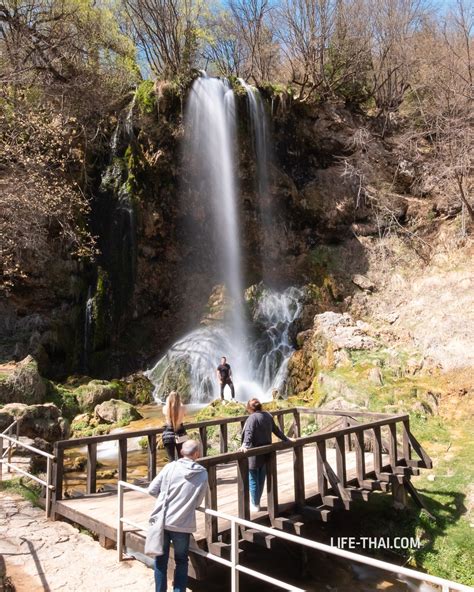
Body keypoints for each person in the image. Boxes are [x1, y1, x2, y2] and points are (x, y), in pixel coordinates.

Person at [147, 440, 208, 592]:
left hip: (163, 521)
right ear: (197, 454)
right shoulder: (202, 473)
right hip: (183, 524)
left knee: (160, 560)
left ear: (181, 452)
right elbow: (198, 501)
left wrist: (164, 499)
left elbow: (152, 489)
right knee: (181, 561)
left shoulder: (170, 467)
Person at [239, 398, 294, 512]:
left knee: (253, 479)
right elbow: (276, 430)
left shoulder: (252, 418)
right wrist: (286, 439)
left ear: (249, 409)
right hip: (266, 452)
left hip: (254, 453)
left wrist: (245, 445)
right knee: (261, 478)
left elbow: (249, 433)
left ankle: (255, 504)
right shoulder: (268, 416)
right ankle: (256, 501)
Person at [162, 391, 187, 462]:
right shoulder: (183, 407)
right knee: (182, 458)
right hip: (181, 433)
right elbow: (185, 413)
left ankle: (172, 472)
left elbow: (168, 406)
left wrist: (168, 400)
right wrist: (179, 402)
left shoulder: (165, 408)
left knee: (171, 460)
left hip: (168, 435)